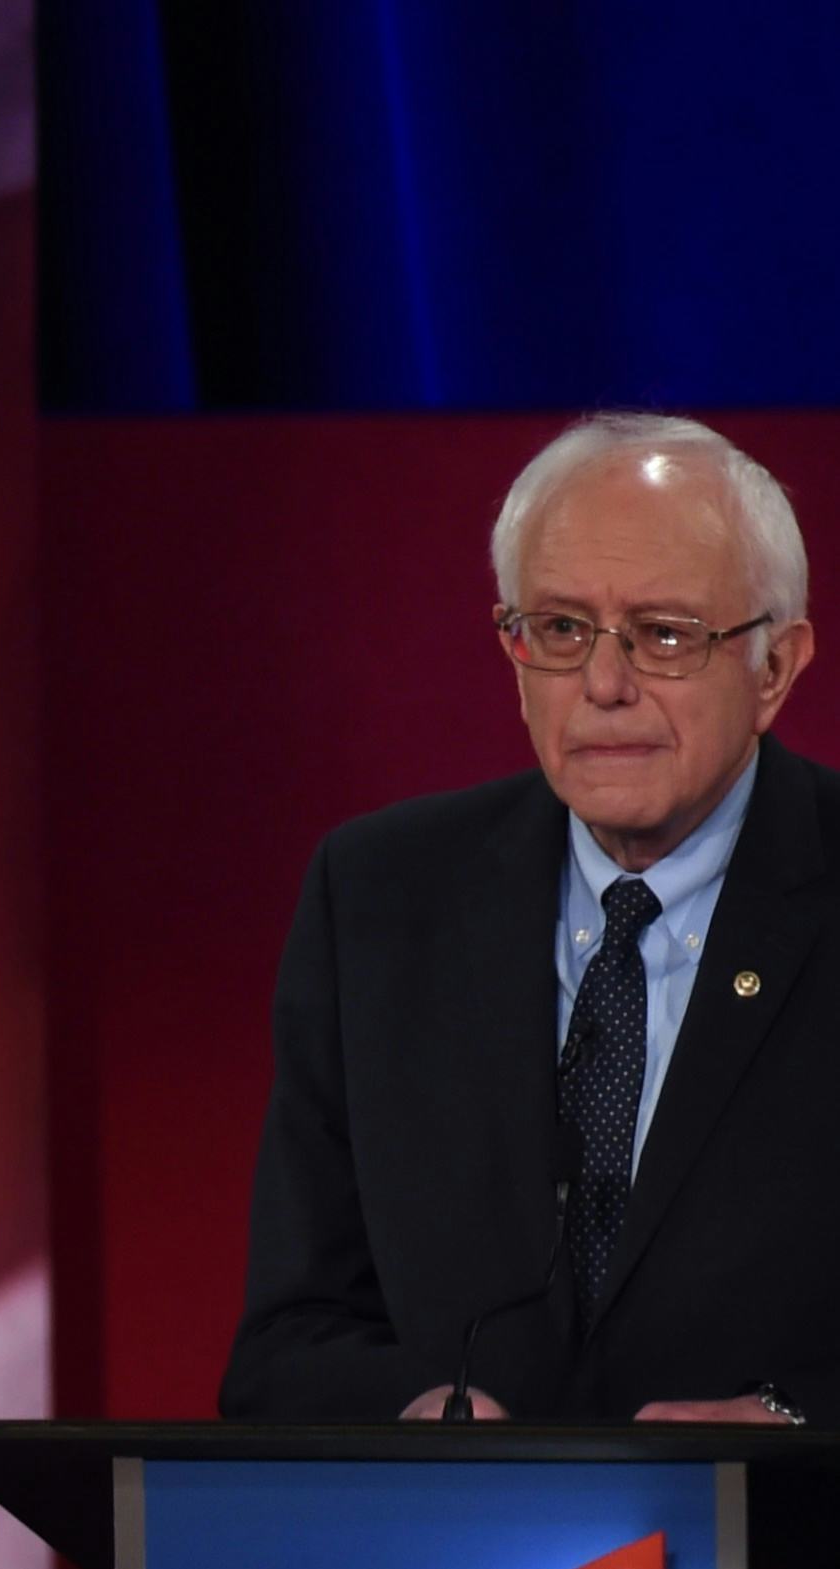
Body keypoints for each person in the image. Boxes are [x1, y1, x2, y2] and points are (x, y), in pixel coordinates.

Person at [223, 411, 840, 1426]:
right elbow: (285, 1347)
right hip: (457, 1529)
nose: (603, 685)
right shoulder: (377, 897)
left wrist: (792, 1424)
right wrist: (418, 1413)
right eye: (560, 630)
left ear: (774, 666)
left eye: (665, 634)